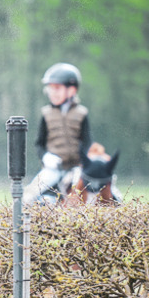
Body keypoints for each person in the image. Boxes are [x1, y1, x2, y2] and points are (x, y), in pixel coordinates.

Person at [23, 62, 92, 205]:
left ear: (72, 90)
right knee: (28, 196)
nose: (52, 92)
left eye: (57, 88)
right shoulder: (46, 114)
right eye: (50, 88)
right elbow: (39, 144)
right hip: (53, 168)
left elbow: (87, 142)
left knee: (104, 190)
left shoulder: (81, 113)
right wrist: (46, 157)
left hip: (77, 167)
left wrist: (83, 162)